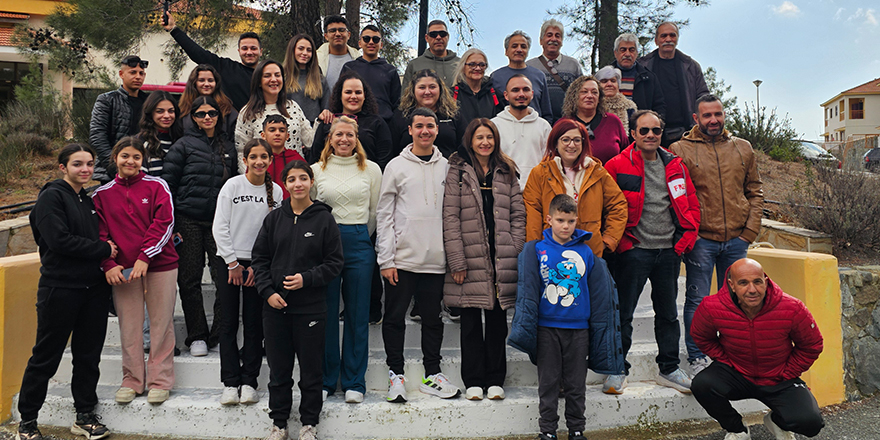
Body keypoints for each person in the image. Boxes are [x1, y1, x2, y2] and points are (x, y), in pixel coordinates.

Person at [17, 144, 115, 440]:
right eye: (77, 164)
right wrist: (103, 249)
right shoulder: (51, 198)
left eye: (89, 164)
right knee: (45, 356)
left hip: (92, 290)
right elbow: (59, 241)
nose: (84, 169)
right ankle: (28, 422)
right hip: (60, 289)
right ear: (63, 167)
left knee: (88, 356)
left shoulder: (86, 198)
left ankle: (85, 416)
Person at [508, 194, 624, 440]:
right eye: (560, 220)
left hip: (579, 329)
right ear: (549, 219)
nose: (565, 226)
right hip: (546, 327)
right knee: (548, 382)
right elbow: (528, 290)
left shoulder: (586, 252)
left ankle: (576, 429)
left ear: (576, 221)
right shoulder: (537, 250)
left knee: (575, 384)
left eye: (571, 221)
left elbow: (597, 294)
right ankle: (547, 431)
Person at [602, 110, 700, 395]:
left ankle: (669, 368)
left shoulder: (676, 165)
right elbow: (606, 209)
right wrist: (622, 244)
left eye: (655, 131)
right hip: (634, 251)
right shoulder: (617, 165)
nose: (650, 136)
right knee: (624, 315)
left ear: (661, 134)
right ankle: (617, 369)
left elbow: (691, 204)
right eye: (643, 131)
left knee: (668, 314)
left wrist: (682, 243)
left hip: (669, 251)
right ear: (633, 133)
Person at [669, 94, 763, 375]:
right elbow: (677, 196)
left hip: (737, 240)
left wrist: (749, 231)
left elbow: (755, 191)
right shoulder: (680, 149)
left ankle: (733, 354)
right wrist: (689, 233)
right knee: (698, 300)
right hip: (701, 241)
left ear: (724, 115)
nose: (714, 120)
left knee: (737, 299)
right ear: (696, 118)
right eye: (707, 115)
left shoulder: (743, 148)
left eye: (718, 114)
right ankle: (697, 357)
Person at [251, 160, 344, 440]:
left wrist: (307, 279)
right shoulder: (274, 219)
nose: (298, 184)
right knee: (279, 371)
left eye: (303, 178)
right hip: (276, 308)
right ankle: (279, 424)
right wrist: (268, 293)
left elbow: (334, 263)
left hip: (311, 308)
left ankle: (308, 424)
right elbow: (260, 260)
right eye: (292, 179)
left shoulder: (324, 218)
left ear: (311, 181)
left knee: (311, 371)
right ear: (285, 184)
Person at [377, 107, 462, 402]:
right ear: (410, 130)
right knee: (395, 318)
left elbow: (453, 215)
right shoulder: (395, 166)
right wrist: (386, 259)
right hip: (402, 260)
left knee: (432, 319)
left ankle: (432, 374)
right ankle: (396, 375)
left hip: (435, 260)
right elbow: (384, 214)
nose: (425, 131)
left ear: (437, 130)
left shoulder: (448, 166)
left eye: (430, 126)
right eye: (419, 126)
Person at [691, 258, 825, 440]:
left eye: (757, 282)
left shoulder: (792, 307)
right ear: (731, 285)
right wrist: (725, 360)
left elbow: (812, 345)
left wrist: (787, 372)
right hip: (736, 373)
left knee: (811, 423)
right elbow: (701, 336)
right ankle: (737, 429)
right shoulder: (711, 306)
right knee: (702, 385)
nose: (752, 289)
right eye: (743, 283)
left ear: (766, 281)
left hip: (778, 377)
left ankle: (777, 421)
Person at [442, 118, 525, 401]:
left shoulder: (506, 170)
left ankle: (495, 379)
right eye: (479, 137)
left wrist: (515, 246)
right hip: (469, 255)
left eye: (489, 137)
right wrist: (457, 260)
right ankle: (474, 380)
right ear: (470, 140)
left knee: (497, 321)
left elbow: (518, 213)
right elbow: (450, 216)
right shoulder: (458, 170)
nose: (485, 142)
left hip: (501, 255)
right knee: (470, 322)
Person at [93, 137, 178, 405]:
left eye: (136, 157)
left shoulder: (157, 186)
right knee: (129, 326)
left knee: (161, 323)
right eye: (125, 156)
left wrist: (145, 257)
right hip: (123, 269)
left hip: (160, 264)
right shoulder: (101, 195)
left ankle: (159, 381)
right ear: (115, 158)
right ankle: (131, 380)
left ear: (143, 160)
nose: (130, 161)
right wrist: (108, 265)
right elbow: (99, 234)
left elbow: (164, 223)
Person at [311, 116, 382, 404]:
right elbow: (313, 209)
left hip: (359, 242)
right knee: (326, 313)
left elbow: (375, 211)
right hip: (325, 244)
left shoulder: (371, 170)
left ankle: (354, 381)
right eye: (338, 134)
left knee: (357, 314)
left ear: (356, 138)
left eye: (349, 135)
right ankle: (327, 380)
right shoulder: (316, 169)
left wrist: (360, 236)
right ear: (330, 138)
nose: (344, 139)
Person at [162, 95, 238, 357]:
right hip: (188, 219)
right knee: (190, 279)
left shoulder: (227, 145)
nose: (207, 118)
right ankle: (197, 335)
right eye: (201, 114)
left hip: (219, 222)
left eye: (212, 113)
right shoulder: (182, 146)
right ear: (193, 118)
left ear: (219, 116)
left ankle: (218, 333)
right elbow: (168, 186)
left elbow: (235, 184)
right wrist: (172, 225)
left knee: (223, 279)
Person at [212, 139, 283, 406]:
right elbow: (220, 226)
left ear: (270, 160)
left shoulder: (276, 191)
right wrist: (232, 263)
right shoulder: (232, 186)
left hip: (258, 265)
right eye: (253, 157)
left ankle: (249, 381)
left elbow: (273, 232)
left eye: (264, 157)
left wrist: (257, 265)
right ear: (245, 159)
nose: (259, 162)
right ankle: (230, 382)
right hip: (229, 262)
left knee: (254, 325)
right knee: (229, 323)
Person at [522, 118, 627, 257]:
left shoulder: (597, 172)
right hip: (550, 251)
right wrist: (535, 247)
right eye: (565, 140)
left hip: (589, 251)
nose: (571, 145)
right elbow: (533, 213)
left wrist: (607, 241)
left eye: (577, 140)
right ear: (556, 143)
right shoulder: (540, 173)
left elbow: (618, 206)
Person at [163, 11, 261, 110]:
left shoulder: (269, 75)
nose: (249, 52)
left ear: (260, 51)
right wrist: (174, 30)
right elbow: (199, 54)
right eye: (245, 48)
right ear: (239, 51)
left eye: (253, 48)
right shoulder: (227, 68)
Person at [638, 22, 709, 146]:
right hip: (650, 133)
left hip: (685, 132)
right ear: (656, 40)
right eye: (664, 36)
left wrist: (700, 124)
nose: (668, 39)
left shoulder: (691, 66)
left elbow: (703, 97)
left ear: (677, 39)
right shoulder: (643, 66)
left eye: (672, 35)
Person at [235, 59, 314, 170]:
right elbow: (241, 152)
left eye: (277, 75)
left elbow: (310, 141)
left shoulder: (293, 107)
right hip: (263, 178)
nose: (273, 79)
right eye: (267, 76)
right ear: (258, 81)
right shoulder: (248, 113)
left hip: (294, 177)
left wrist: (320, 121)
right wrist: (252, 181)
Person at [309, 70, 392, 168]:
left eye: (358, 92)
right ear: (340, 95)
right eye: (348, 92)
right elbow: (315, 159)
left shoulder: (377, 123)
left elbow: (385, 160)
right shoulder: (328, 121)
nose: (353, 96)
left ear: (364, 95)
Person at [90, 55, 149, 183]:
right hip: (111, 174)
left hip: (143, 172)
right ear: (121, 74)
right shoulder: (107, 100)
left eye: (141, 73)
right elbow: (97, 135)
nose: (138, 76)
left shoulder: (149, 103)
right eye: (133, 72)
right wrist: (115, 168)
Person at [491, 74, 551, 189]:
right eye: (515, 90)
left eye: (526, 90)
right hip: (503, 191)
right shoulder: (494, 125)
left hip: (536, 192)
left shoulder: (544, 126)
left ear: (532, 94)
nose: (521, 94)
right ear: (506, 95)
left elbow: (548, 163)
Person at [390, 69, 463, 158]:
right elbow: (392, 150)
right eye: (422, 87)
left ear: (440, 89)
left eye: (432, 87)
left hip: (447, 169)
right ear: (413, 90)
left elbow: (462, 147)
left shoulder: (453, 114)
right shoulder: (401, 116)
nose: (427, 92)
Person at [560, 75, 629, 165]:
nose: (589, 96)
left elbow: (627, 155)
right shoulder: (563, 124)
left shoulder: (613, 122)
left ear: (600, 98)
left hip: (609, 177)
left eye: (594, 92)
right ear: (574, 96)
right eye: (584, 92)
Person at [341, 25, 401, 124]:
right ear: (360, 43)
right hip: (353, 123)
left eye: (376, 39)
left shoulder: (390, 71)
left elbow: (397, 104)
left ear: (381, 45)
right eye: (366, 39)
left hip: (384, 123)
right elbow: (340, 97)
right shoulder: (349, 68)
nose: (371, 42)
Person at [526, 19, 582, 124]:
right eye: (549, 35)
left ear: (561, 41)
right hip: (537, 123)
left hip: (567, 123)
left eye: (557, 36)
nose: (553, 39)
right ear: (541, 40)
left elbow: (580, 94)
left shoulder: (573, 65)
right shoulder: (530, 66)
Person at [491, 30, 552, 120]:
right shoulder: (496, 77)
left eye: (523, 47)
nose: (519, 50)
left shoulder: (539, 76)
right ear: (506, 51)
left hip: (535, 129)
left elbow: (546, 112)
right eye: (514, 46)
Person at [178, 64, 239, 143]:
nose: (206, 84)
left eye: (210, 80)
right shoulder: (183, 110)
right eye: (201, 80)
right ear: (194, 83)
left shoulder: (227, 110)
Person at [610, 33, 666, 117]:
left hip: (641, 128)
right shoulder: (604, 77)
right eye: (623, 50)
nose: (627, 54)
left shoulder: (648, 78)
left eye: (631, 50)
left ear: (636, 53)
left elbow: (659, 106)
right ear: (615, 53)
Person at [282, 34, 330, 124]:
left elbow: (326, 109)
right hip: (287, 128)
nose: (305, 53)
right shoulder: (281, 77)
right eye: (301, 48)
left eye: (309, 50)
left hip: (314, 129)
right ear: (292, 50)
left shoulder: (320, 79)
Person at [451, 48, 505, 127]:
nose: (477, 68)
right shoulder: (452, 95)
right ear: (463, 67)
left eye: (482, 65)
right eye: (472, 64)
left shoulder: (495, 95)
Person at [402, 20, 460, 86]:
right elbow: (405, 94)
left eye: (442, 34)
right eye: (433, 34)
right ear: (427, 38)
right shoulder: (414, 65)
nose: (438, 37)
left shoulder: (461, 64)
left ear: (448, 37)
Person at [139, 91, 183, 176]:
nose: (166, 115)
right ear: (150, 113)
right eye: (160, 111)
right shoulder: (141, 142)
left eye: (171, 111)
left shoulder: (181, 140)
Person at [261, 115, 305, 199]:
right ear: (263, 135)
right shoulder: (258, 160)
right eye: (272, 130)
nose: (277, 133)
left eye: (281, 130)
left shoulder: (295, 158)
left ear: (287, 136)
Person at [316, 15, 361, 90]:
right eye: (332, 31)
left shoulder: (357, 58)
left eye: (341, 30)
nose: (337, 34)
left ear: (348, 35)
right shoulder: (316, 59)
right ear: (326, 36)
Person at [596, 66, 637, 133]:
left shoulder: (629, 107)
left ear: (618, 85)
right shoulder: (593, 106)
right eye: (604, 81)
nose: (609, 84)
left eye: (613, 81)